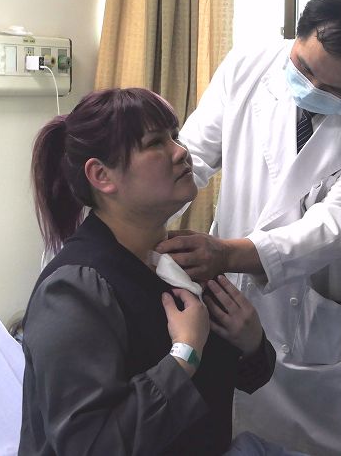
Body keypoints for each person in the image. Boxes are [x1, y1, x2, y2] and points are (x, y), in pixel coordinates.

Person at [156, 0, 341, 455]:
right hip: (232, 307)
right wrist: (139, 217)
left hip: (316, 325)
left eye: (335, 90)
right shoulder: (247, 67)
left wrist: (227, 253)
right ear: (297, 36)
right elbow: (191, 159)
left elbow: (337, 226)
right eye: (303, 68)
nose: (311, 88)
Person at [19, 88, 280, 455]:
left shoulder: (182, 262)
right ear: (102, 175)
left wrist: (251, 344)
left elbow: (231, 377)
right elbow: (90, 445)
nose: (181, 151)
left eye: (175, 135)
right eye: (156, 143)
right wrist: (185, 353)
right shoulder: (75, 289)